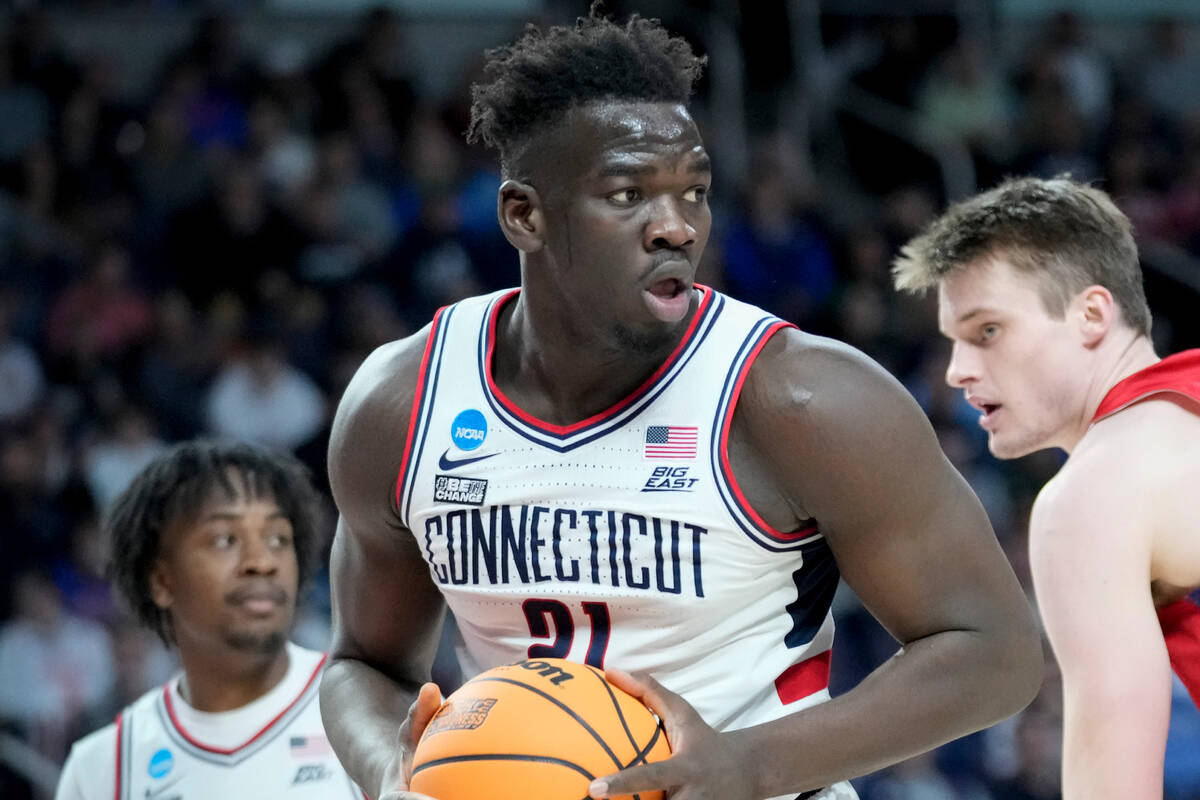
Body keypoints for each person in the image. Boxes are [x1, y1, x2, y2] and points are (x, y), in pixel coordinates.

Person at [321, 12, 1042, 800]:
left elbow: (995, 652)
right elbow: (364, 662)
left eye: (693, 191)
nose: (675, 227)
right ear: (525, 215)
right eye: (627, 193)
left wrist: (753, 763)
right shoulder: (403, 403)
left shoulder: (798, 398)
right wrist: (390, 770)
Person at [892, 174, 1200, 799]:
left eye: (988, 332)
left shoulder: (1089, 499)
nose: (957, 371)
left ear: (1091, 314)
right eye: (953, 341)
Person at [54, 440, 363, 800]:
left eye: (278, 538)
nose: (262, 561)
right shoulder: (101, 770)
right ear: (161, 581)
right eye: (225, 540)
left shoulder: (369, 711)